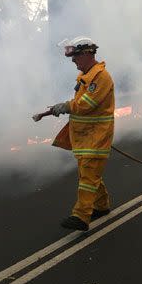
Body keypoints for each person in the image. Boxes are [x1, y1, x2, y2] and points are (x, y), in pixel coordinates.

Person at [49, 36, 115, 231]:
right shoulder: (86, 77)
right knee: (89, 174)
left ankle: (81, 215)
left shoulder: (101, 77)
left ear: (87, 54)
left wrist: (66, 106)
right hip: (86, 137)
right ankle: (101, 206)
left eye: (76, 55)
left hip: (97, 136)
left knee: (87, 176)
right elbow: (81, 103)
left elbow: (87, 104)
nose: (73, 60)